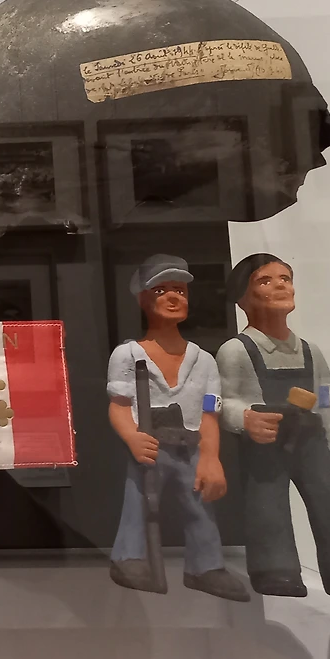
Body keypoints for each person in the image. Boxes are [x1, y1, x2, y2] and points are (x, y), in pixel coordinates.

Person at [217, 254, 330, 598]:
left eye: (286, 278)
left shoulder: (311, 352)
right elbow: (222, 401)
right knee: (267, 505)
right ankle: (275, 570)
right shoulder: (236, 351)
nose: (281, 285)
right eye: (265, 280)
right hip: (265, 443)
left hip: (312, 441)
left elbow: (327, 402)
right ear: (242, 298)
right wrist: (246, 418)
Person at [107, 254, 249, 600]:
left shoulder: (204, 361)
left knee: (200, 505)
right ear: (143, 299)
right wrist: (132, 437)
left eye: (180, 291)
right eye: (161, 290)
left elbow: (210, 413)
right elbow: (119, 406)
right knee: (139, 502)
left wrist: (211, 458)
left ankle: (205, 566)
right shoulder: (128, 356)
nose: (173, 297)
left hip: (190, 446)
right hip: (150, 446)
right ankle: (129, 557)